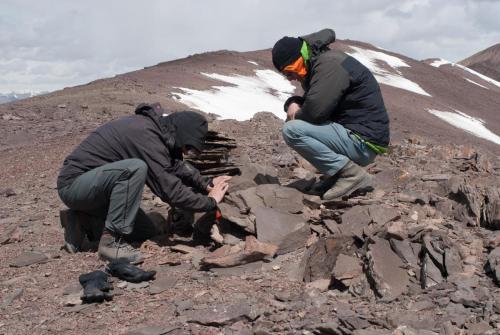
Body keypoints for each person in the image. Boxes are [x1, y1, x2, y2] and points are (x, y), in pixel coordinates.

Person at [57, 103, 231, 264]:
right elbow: (169, 191)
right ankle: (111, 243)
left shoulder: (157, 132)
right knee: (134, 168)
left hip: (97, 192)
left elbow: (174, 165)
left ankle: (82, 219)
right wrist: (210, 202)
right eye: (186, 146)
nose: (185, 151)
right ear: (181, 132)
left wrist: (206, 184)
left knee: (146, 231)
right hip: (74, 185)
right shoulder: (145, 134)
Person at [272, 28, 390, 199]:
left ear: (301, 57)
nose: (290, 78)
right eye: (285, 74)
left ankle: (351, 174)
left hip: (362, 141)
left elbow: (315, 112)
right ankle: (337, 174)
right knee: (295, 124)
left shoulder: (329, 64)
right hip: (358, 136)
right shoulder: (319, 64)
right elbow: (316, 102)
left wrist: (295, 113)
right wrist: (292, 102)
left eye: (290, 70)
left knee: (292, 130)